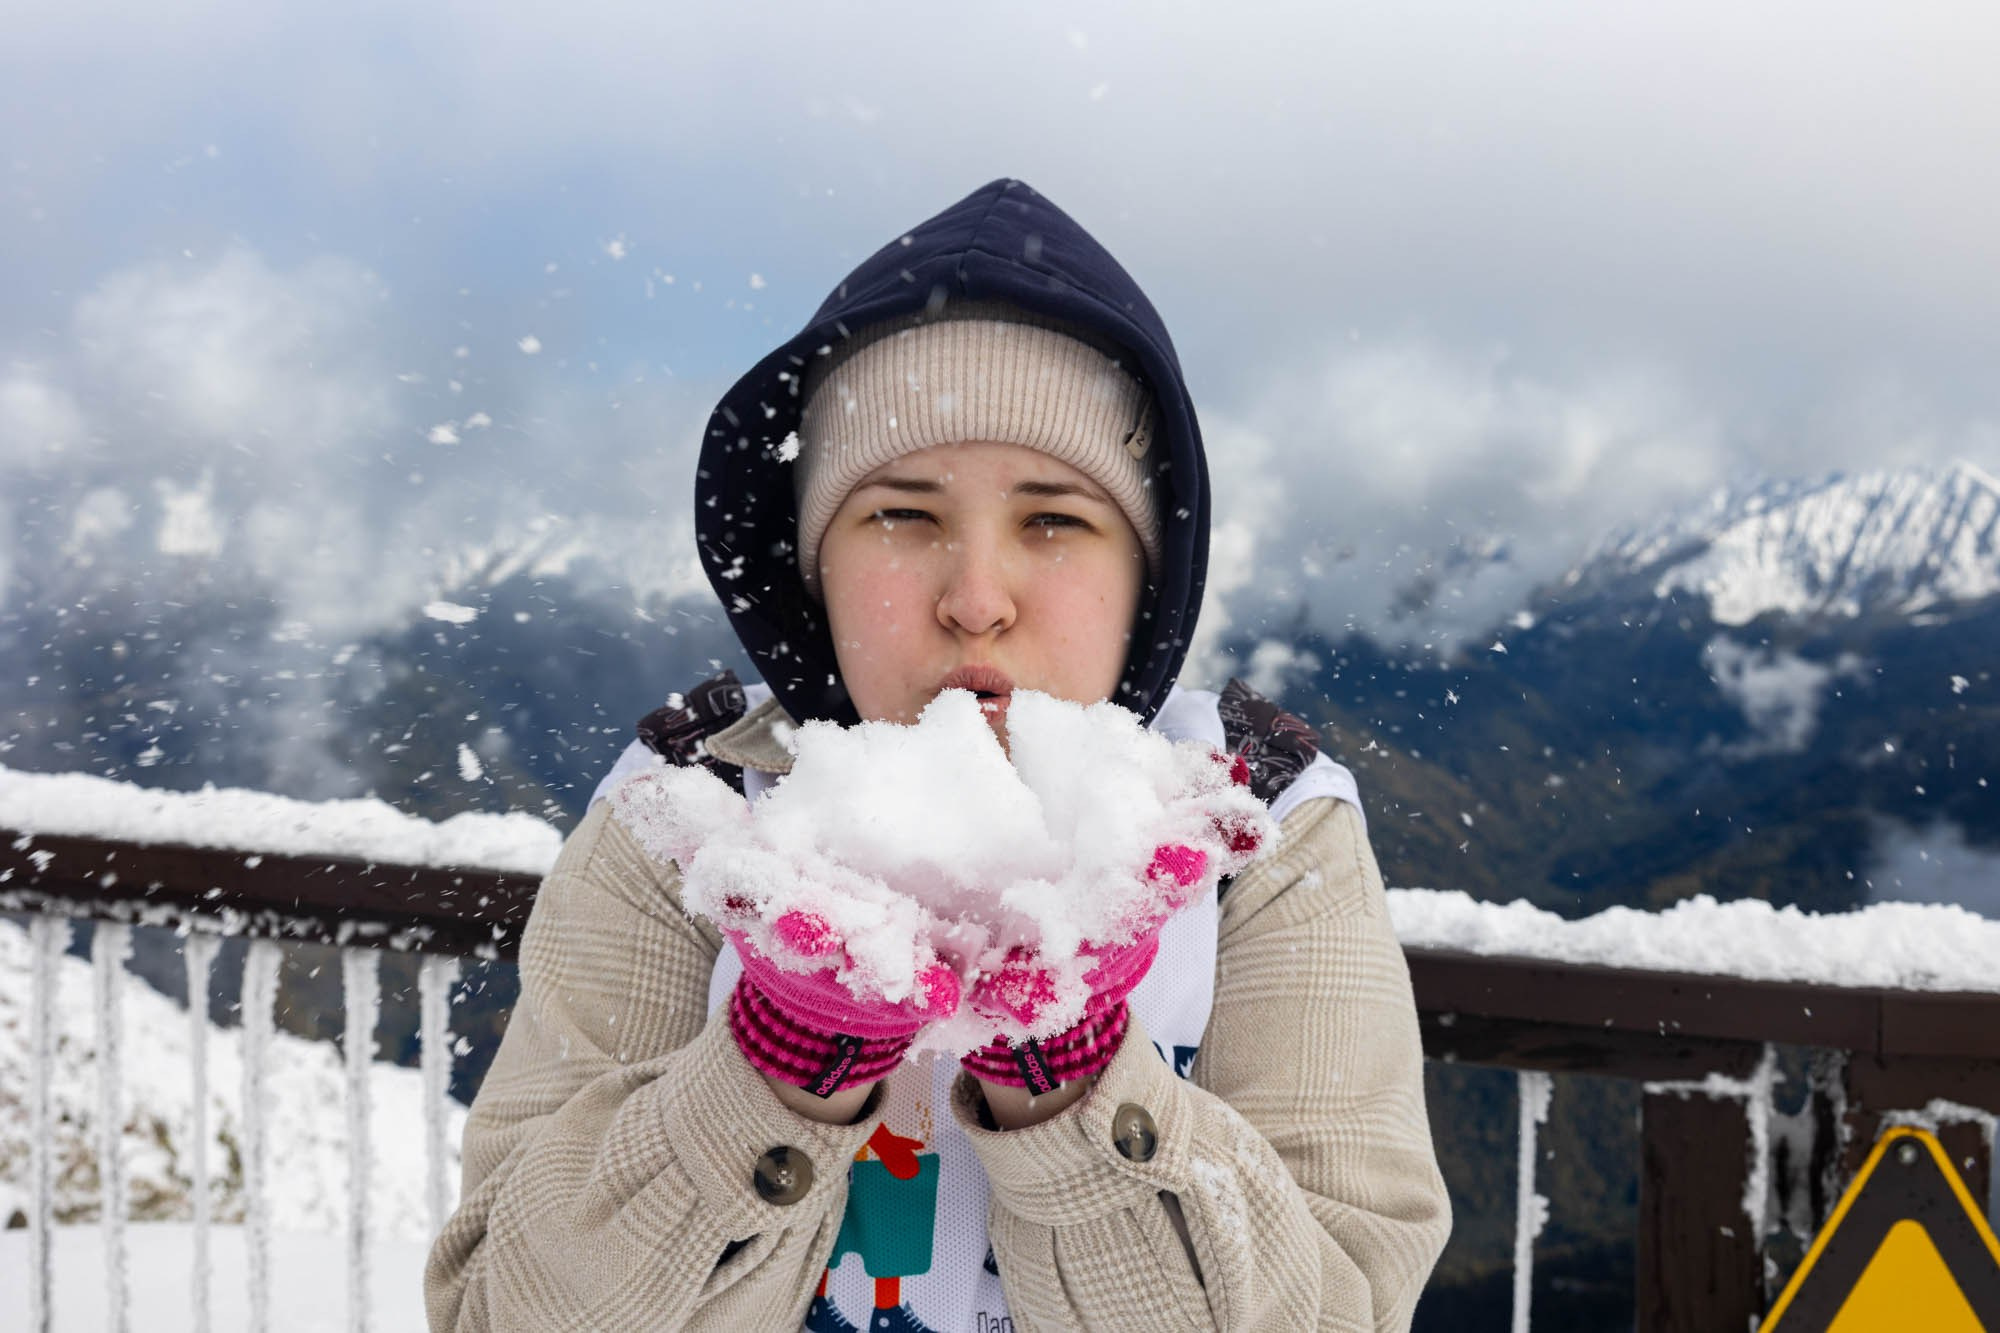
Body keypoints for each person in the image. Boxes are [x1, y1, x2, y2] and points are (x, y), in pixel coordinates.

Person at [426, 178, 1450, 1331]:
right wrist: (777, 1067)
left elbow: (1339, 1308)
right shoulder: (687, 814)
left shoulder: (1257, 828)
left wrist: (1074, 1078)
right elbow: (502, 1311)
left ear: (1146, 575)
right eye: (900, 515)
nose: (974, 600)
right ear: (813, 569)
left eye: (1053, 520)